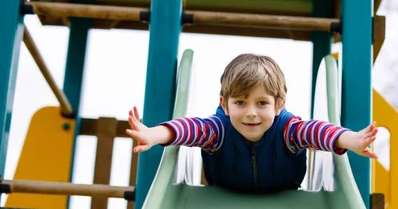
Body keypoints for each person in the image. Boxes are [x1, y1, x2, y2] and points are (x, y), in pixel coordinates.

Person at [126, 54, 378, 193]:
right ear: (224, 104)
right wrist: (155, 134)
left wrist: (350, 140)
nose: (250, 113)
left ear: (279, 105)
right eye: (240, 103)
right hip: (223, 200)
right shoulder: (218, 131)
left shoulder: (288, 131)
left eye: (262, 103)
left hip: (284, 200)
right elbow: (188, 129)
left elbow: (318, 132)